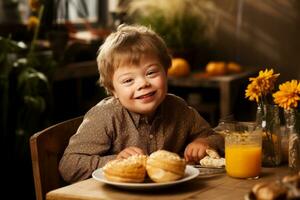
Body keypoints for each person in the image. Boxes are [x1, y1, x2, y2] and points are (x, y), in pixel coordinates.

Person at [59, 24, 224, 183]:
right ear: (113, 90)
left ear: (166, 72)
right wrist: (115, 161)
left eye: (151, 72)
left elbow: (217, 137)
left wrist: (205, 143)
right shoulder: (105, 116)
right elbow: (69, 166)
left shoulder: (179, 109)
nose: (142, 84)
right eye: (128, 80)